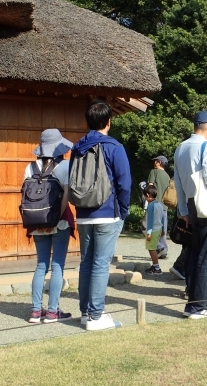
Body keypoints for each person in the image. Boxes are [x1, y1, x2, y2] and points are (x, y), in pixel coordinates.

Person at [71, 100, 131, 331]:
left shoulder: (78, 148)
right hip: (107, 212)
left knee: (86, 263)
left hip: (84, 213)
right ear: (109, 122)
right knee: (100, 264)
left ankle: (86, 312)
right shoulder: (113, 147)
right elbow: (124, 183)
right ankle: (97, 316)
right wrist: (123, 211)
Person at [173, 110, 207, 319]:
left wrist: (183, 211)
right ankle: (200, 305)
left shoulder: (181, 147)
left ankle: (192, 303)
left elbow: (177, 182)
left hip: (191, 204)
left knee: (195, 254)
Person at [26, 129, 75, 323]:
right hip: (59, 222)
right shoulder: (65, 166)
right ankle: (53, 311)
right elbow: (66, 196)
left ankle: (36, 311)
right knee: (57, 266)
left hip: (36, 222)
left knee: (41, 266)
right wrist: (54, 219)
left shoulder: (30, 167)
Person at [147, 155, 171, 259]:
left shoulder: (154, 172)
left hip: (155, 205)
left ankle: (159, 247)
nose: (154, 163)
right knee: (162, 229)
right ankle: (163, 250)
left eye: (155, 161)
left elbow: (150, 186)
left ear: (159, 163)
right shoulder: (167, 176)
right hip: (164, 206)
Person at [143, 184, 166, 275]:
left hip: (153, 230)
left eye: (145, 196)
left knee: (151, 249)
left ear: (148, 195)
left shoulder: (151, 206)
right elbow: (163, 218)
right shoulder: (160, 204)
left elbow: (150, 220)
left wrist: (148, 232)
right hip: (159, 228)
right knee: (153, 247)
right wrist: (163, 229)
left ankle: (156, 267)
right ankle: (155, 265)